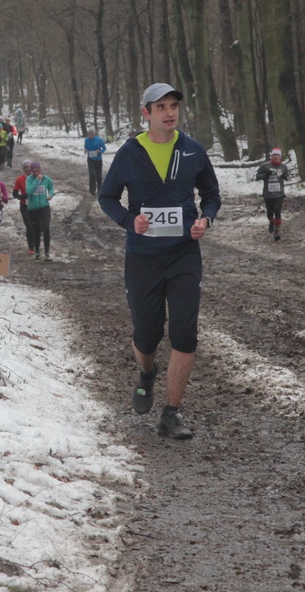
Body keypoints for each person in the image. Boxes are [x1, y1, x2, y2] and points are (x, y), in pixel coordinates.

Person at [98, 83, 221, 440]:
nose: (169, 113)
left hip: (183, 254)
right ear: (146, 113)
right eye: (161, 107)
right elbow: (107, 197)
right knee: (147, 335)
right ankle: (147, 372)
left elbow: (211, 195)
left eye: (174, 106)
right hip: (143, 257)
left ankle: (171, 413)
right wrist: (128, 220)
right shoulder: (130, 152)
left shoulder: (192, 150)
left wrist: (205, 219)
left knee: (185, 333)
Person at [255, 147, 289, 241]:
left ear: (280, 156)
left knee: (277, 211)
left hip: (279, 193)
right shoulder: (265, 166)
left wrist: (283, 175)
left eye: (278, 155)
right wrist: (265, 175)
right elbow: (257, 176)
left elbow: (287, 177)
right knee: (270, 212)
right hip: (268, 193)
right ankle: (271, 221)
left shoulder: (283, 166)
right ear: (271, 156)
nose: (276, 157)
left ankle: (277, 232)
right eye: (274, 155)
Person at [25, 161, 54, 261]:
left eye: (38, 171)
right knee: (37, 230)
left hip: (44, 207)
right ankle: (37, 252)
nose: (37, 173)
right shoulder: (29, 179)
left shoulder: (46, 179)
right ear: (32, 171)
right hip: (33, 208)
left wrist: (50, 195)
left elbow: (51, 187)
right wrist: (36, 180)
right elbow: (29, 191)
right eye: (34, 171)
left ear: (40, 170)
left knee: (46, 228)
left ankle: (47, 253)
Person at [12, 160, 36, 255]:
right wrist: (22, 196)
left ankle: (36, 244)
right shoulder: (20, 179)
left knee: (36, 226)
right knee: (29, 227)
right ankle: (31, 247)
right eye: (26, 167)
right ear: (23, 169)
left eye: (30, 167)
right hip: (25, 206)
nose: (29, 169)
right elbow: (15, 194)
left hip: (36, 205)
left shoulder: (37, 178)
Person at [84, 128, 107, 196]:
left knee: (98, 175)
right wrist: (86, 150)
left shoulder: (99, 140)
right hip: (90, 159)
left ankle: (100, 189)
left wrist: (100, 151)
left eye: (92, 133)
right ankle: (92, 190)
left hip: (98, 159)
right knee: (92, 174)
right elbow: (86, 147)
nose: (91, 135)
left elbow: (104, 148)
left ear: (94, 134)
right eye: (89, 133)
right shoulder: (86, 140)